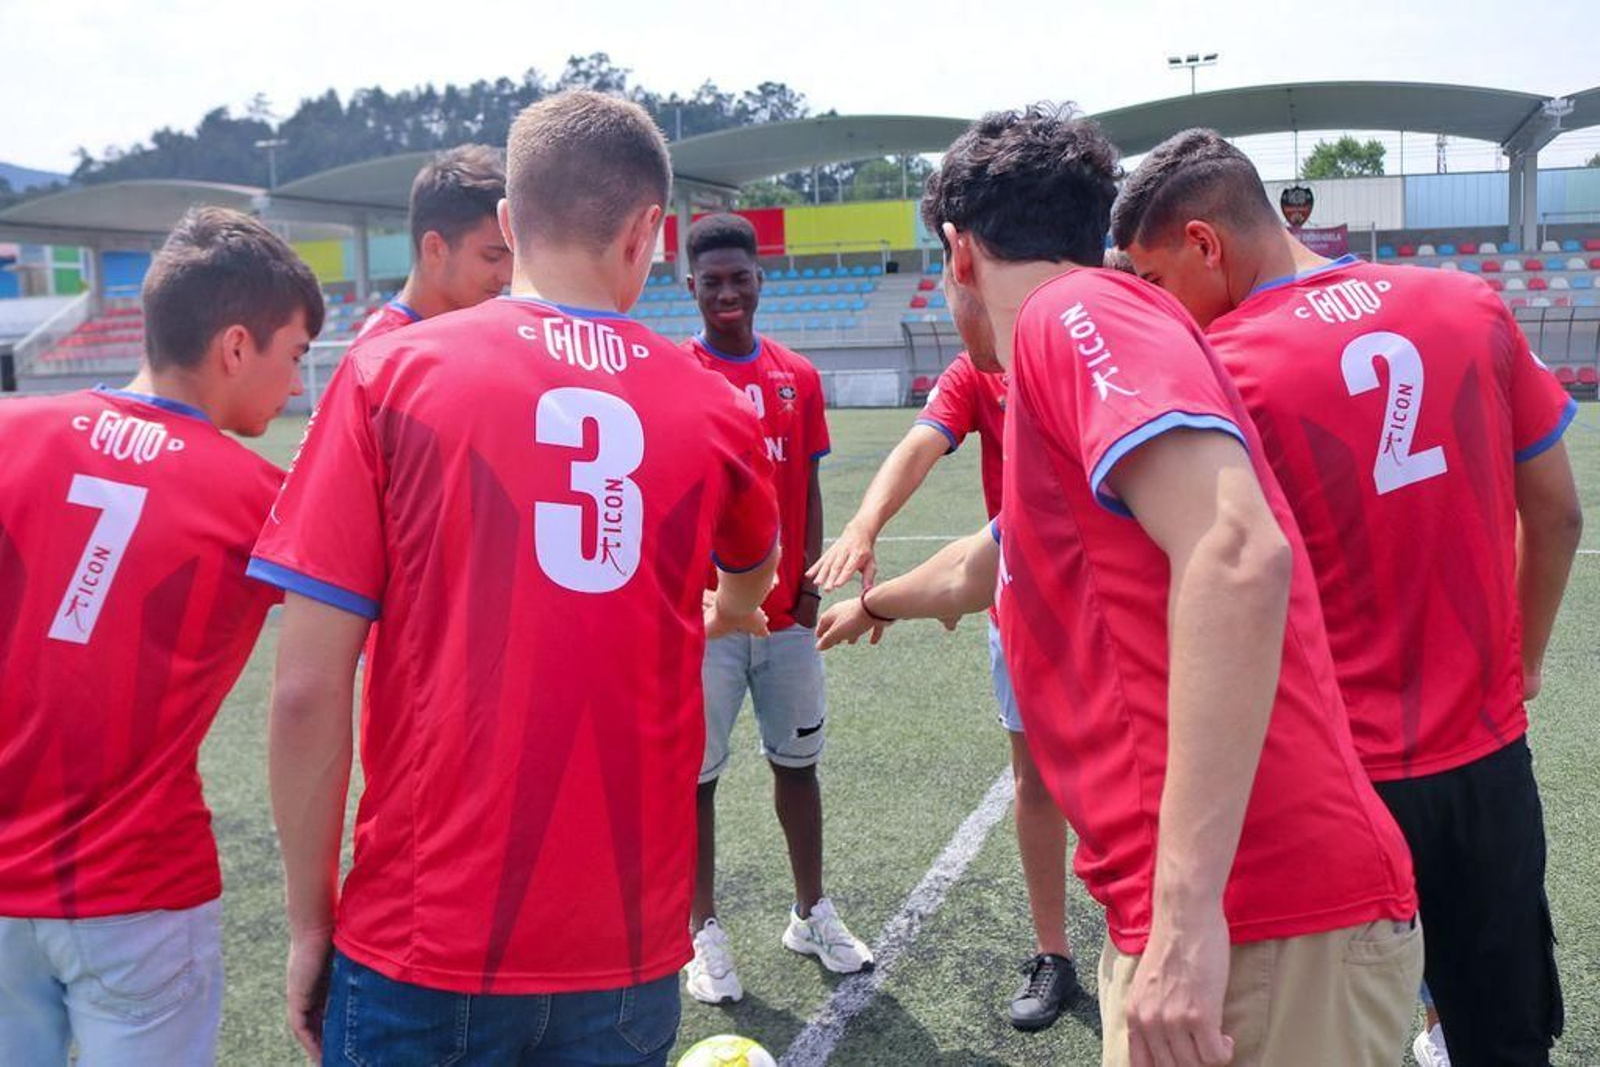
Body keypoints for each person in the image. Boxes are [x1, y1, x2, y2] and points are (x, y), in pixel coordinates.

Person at [818, 104, 1423, 1067]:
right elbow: (992, 560)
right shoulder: (1078, 342)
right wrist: (877, 603)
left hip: (1256, 920)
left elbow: (1236, 553)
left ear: (958, 249)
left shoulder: (1072, 314)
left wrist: (1185, 929)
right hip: (1229, 920)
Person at [250, 90, 780, 1067]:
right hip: (623, 943)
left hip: (423, 935)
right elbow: (755, 571)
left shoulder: (387, 374)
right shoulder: (715, 407)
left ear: (508, 222)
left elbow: (306, 687)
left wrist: (307, 922)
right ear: (647, 233)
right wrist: (727, 609)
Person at [1112, 128, 1583, 1067]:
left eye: (1156, 282)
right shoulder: (1468, 302)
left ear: (1205, 243)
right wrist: (1523, 659)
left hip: (1336, 788)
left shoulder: (1220, 371)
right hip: (1489, 759)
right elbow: (1560, 513)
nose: (1160, 311)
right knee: (1505, 1034)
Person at [0, 206, 320, 1065]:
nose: (295, 385)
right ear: (236, 346)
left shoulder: (9, 433)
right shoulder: (264, 496)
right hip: (140, 893)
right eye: (293, 356)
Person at [810, 338, 1081, 1030]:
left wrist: (897, 596)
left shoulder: (1078, 350)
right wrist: (866, 526)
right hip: (1018, 602)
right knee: (1035, 782)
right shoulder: (979, 366)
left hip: (1113, 608)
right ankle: (1055, 951)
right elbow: (922, 448)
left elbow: (967, 568)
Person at [678, 213, 872, 1005]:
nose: (727, 292)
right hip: (707, 620)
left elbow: (812, 485)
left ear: (761, 281)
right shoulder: (673, 373)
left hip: (787, 617)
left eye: (740, 277)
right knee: (695, 779)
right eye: (712, 280)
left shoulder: (798, 375)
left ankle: (809, 911)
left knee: (799, 763)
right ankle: (702, 931)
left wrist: (809, 588)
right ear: (689, 287)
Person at [356, 143, 512, 340]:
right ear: (435, 249)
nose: (508, 276)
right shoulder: (380, 354)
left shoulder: (488, 331)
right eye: (493, 256)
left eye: (513, 256)